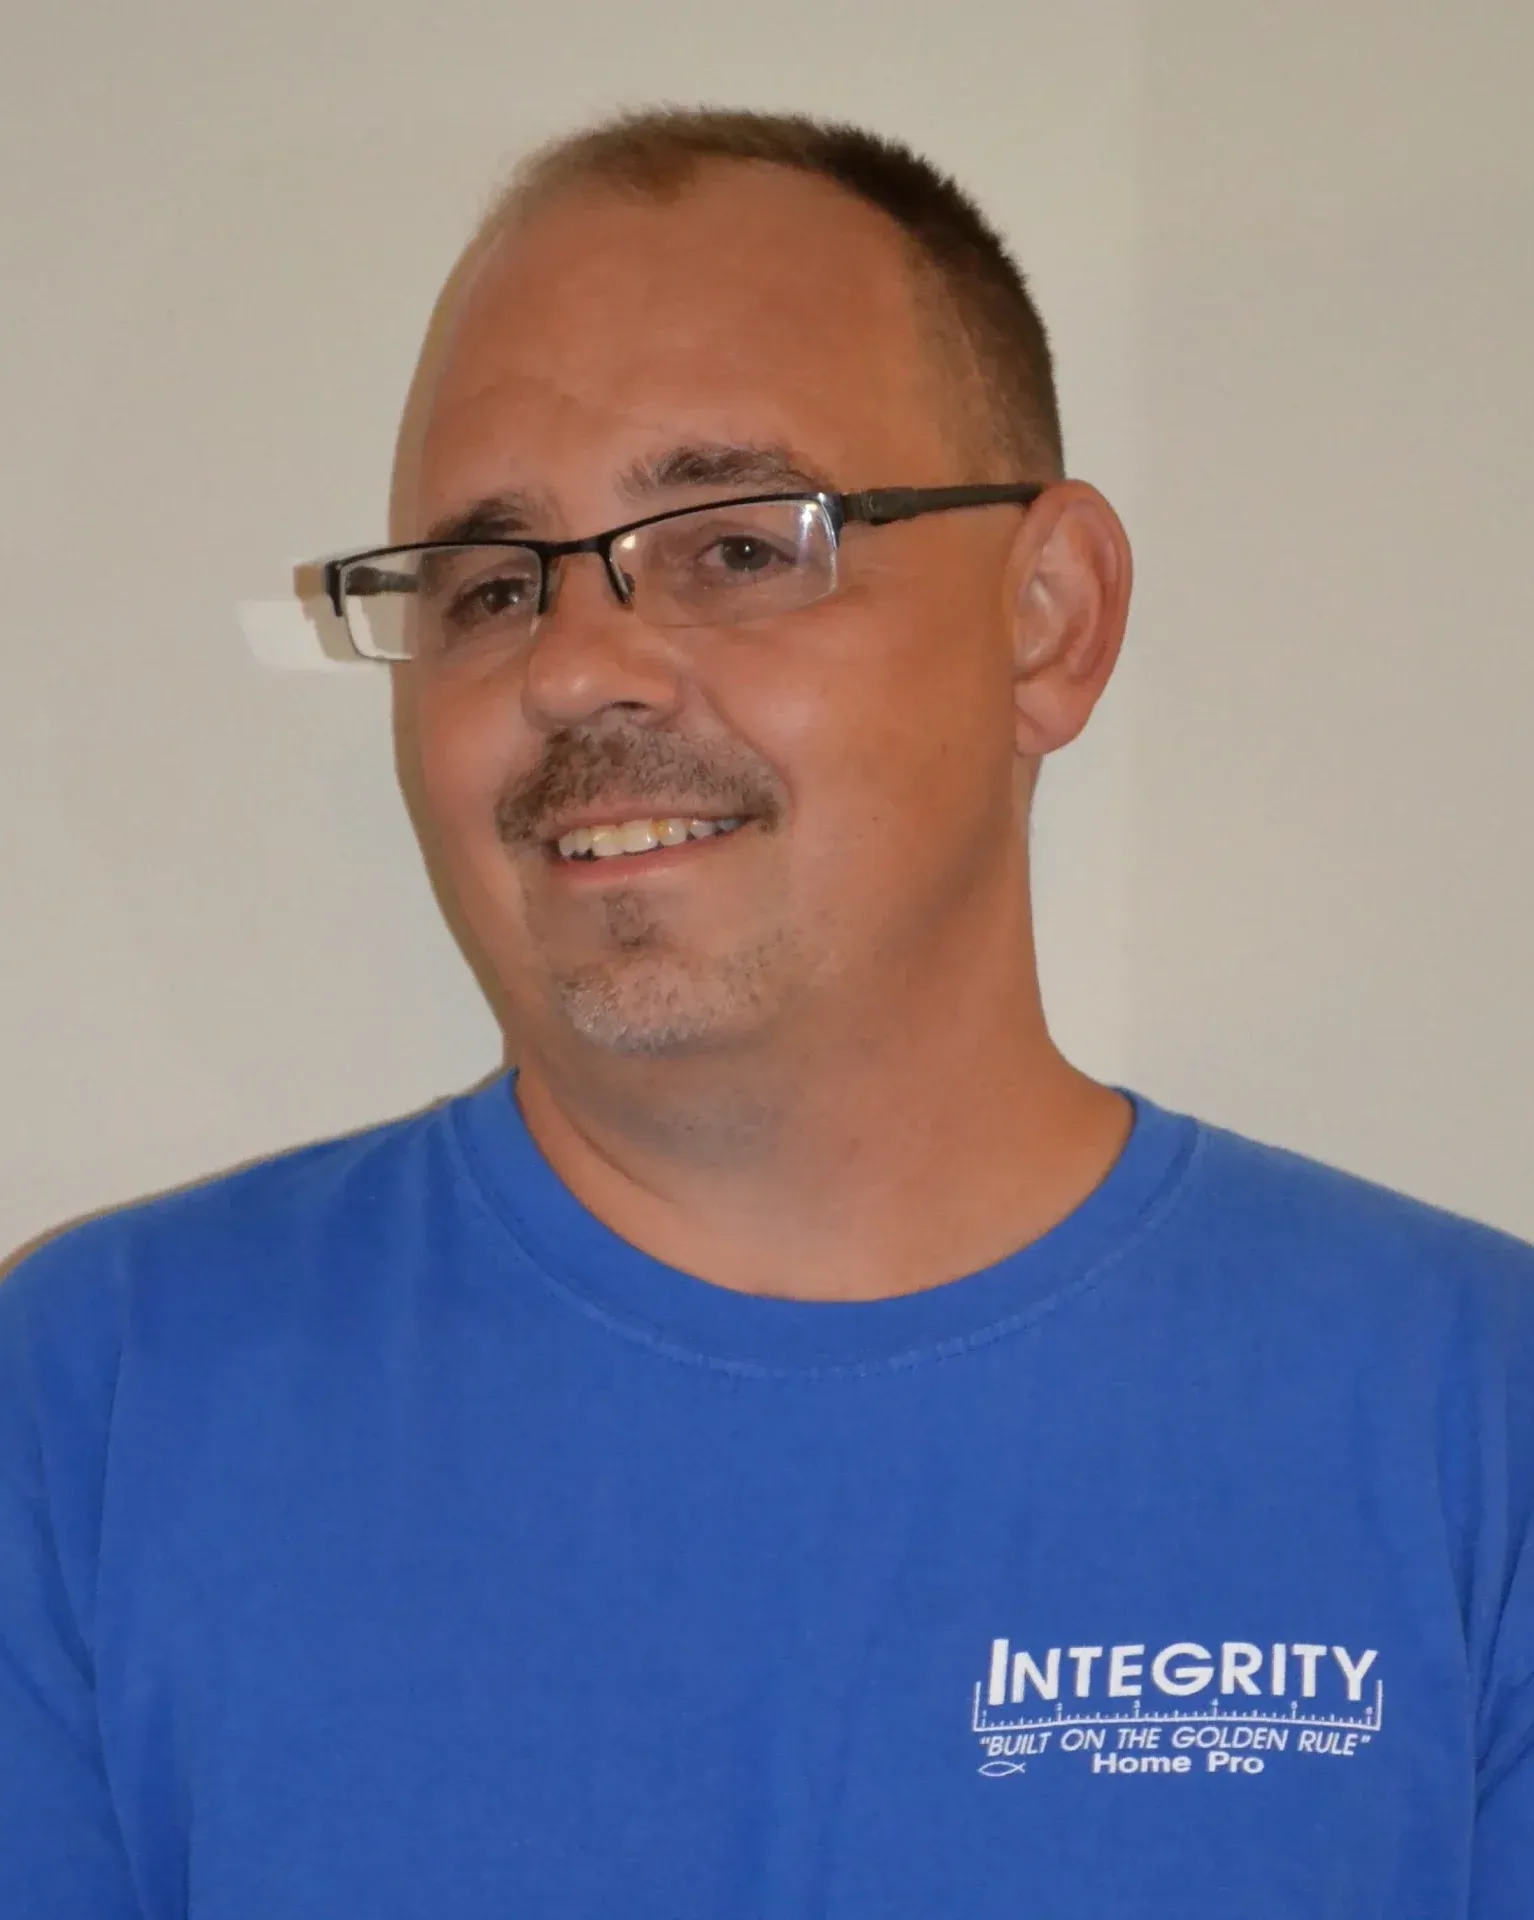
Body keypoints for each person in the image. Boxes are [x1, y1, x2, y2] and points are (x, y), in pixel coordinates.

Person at [2, 107, 1530, 1920]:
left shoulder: (1467, 1418)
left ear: (1045, 620)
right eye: (490, 585)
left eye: (734, 544)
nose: (569, 663)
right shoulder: (95, 1408)